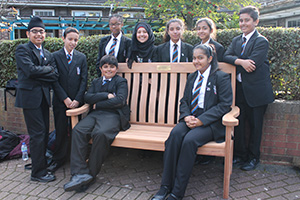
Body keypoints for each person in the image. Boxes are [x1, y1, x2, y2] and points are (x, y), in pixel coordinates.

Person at [152, 44, 232, 200]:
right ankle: (165, 186)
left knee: (189, 140)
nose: (196, 61)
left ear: (209, 59)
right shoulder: (192, 77)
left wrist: (202, 120)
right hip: (191, 118)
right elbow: (184, 101)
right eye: (194, 58)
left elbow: (224, 105)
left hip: (210, 122)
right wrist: (186, 115)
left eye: (200, 58)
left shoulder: (220, 77)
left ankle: (177, 192)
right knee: (174, 135)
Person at [64, 55, 130, 192]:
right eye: (105, 67)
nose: (109, 69)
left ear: (116, 69)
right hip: (94, 115)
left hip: (113, 115)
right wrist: (106, 95)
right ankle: (78, 173)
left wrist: (97, 103)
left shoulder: (121, 82)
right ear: (101, 69)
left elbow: (120, 100)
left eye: (112, 67)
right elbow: (87, 97)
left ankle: (90, 174)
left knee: (100, 133)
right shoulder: (96, 82)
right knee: (78, 130)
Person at [223, 6, 274, 171]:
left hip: (257, 92)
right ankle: (239, 155)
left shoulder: (261, 41)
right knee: (239, 125)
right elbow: (226, 56)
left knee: (255, 126)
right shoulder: (236, 40)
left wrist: (238, 61)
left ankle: (253, 158)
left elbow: (253, 64)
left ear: (256, 21)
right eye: (241, 20)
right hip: (239, 90)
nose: (243, 23)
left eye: (247, 20)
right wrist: (240, 62)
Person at [15, 16, 58, 182]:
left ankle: (40, 164)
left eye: (41, 31)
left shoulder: (47, 53)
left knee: (44, 133)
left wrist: (42, 71)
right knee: (37, 134)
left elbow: (54, 75)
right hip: (30, 99)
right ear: (28, 34)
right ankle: (38, 174)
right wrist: (45, 70)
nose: (38, 34)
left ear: (45, 34)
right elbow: (30, 71)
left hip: (43, 99)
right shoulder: (22, 49)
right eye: (35, 31)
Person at [50, 27, 88, 172]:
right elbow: (54, 80)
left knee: (75, 131)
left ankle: (74, 158)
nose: (73, 42)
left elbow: (84, 80)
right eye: (70, 39)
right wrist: (65, 98)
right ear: (63, 38)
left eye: (76, 40)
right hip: (61, 102)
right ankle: (59, 158)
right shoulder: (54, 56)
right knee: (60, 130)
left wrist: (78, 100)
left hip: (77, 103)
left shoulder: (81, 57)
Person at [194, 17, 225, 165]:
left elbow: (218, 69)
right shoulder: (195, 47)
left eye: (204, 28)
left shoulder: (217, 47)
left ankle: (208, 155)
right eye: (198, 28)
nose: (201, 31)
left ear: (211, 30)